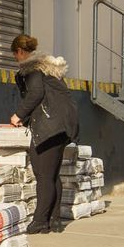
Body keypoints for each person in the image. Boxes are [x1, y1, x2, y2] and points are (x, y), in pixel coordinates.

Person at [8, 34, 79, 235]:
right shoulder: (49, 69)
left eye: (15, 55)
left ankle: (39, 221)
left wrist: (19, 114)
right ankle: (54, 221)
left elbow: (36, 93)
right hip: (62, 124)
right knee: (52, 174)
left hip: (50, 126)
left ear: (20, 52)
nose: (17, 59)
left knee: (43, 175)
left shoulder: (33, 70)